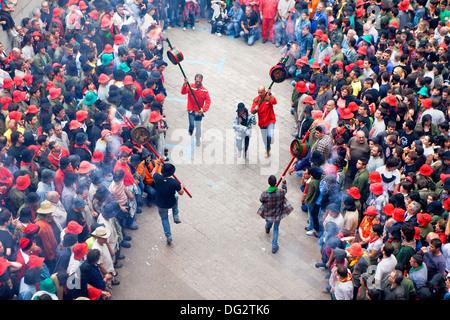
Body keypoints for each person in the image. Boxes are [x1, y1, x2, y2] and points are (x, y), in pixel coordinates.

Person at [257, 174, 293, 254]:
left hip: (269, 212)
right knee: (276, 228)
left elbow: (261, 200)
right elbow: (285, 190)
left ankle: (267, 228)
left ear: (268, 183)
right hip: (278, 213)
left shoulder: (265, 193)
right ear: (276, 182)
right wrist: (283, 181)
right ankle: (274, 246)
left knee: (269, 221)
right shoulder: (280, 192)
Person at [151, 160, 184, 244]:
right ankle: (175, 215)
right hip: (171, 202)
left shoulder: (157, 177)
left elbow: (153, 173)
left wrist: (158, 164)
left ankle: (168, 236)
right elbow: (181, 193)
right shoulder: (175, 182)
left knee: (164, 219)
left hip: (161, 203)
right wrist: (182, 186)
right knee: (176, 196)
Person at [181, 74, 211, 147]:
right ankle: (190, 130)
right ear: (194, 80)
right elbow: (183, 92)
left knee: (198, 126)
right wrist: (184, 84)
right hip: (191, 110)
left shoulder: (205, 91)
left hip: (199, 111)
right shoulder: (190, 86)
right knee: (191, 124)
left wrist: (203, 109)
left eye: (199, 82)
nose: (197, 83)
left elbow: (208, 101)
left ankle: (197, 139)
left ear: (201, 81)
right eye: (196, 81)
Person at [251, 85, 277, 158]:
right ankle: (267, 149)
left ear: (264, 91)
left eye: (261, 92)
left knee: (269, 134)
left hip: (270, 120)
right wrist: (255, 109)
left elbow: (274, 102)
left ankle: (271, 137)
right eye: (258, 92)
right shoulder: (256, 100)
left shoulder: (268, 98)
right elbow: (252, 111)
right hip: (262, 122)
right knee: (264, 139)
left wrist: (270, 94)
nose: (260, 94)